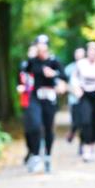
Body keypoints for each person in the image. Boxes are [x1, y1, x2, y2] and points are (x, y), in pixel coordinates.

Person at [19, 34, 66, 174]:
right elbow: (23, 74)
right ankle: (35, 155)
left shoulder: (54, 61)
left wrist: (54, 75)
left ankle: (47, 156)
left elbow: (64, 77)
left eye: (43, 44)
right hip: (35, 96)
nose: (41, 47)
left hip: (49, 97)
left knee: (48, 128)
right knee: (34, 125)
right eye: (38, 44)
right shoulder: (32, 61)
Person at [17, 44, 38, 164]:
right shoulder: (23, 66)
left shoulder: (41, 66)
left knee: (36, 126)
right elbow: (19, 80)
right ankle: (30, 150)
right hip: (25, 100)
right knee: (28, 129)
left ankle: (35, 152)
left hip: (37, 100)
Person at [64, 47, 85, 150]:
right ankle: (72, 132)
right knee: (76, 122)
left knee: (84, 122)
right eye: (78, 54)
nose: (79, 56)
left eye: (81, 54)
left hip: (86, 100)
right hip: (73, 100)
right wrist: (72, 90)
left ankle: (82, 145)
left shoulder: (88, 67)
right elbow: (63, 83)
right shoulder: (69, 69)